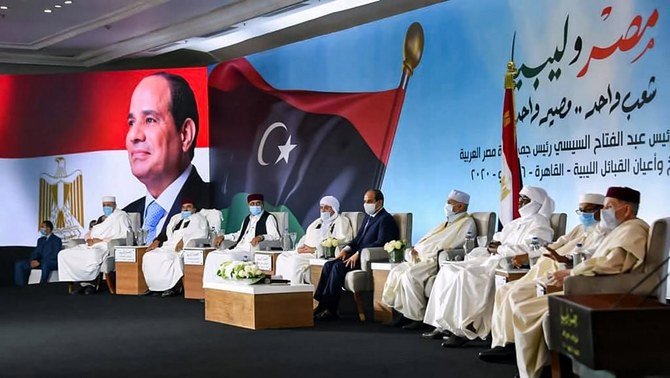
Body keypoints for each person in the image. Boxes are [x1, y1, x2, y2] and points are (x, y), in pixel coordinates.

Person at [509, 187, 648, 378]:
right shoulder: (619, 228)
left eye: (608, 207)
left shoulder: (633, 229)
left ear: (626, 210)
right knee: (523, 303)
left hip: (602, 292)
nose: (604, 212)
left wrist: (571, 273)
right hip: (592, 286)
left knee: (525, 310)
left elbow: (612, 264)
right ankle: (539, 366)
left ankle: (537, 371)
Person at [480, 193, 609, 362]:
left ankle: (516, 348)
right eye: (581, 210)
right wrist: (528, 255)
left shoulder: (605, 233)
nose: (584, 215)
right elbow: (554, 245)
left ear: (601, 210)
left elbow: (589, 259)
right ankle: (504, 343)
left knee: (515, 294)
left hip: (560, 274)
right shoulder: (579, 229)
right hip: (544, 267)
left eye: (588, 210)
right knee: (505, 290)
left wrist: (566, 260)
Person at [423, 186, 554, 347]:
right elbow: (498, 238)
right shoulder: (516, 222)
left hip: (503, 262)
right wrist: (495, 245)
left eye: (524, 199)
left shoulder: (540, 222)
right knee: (448, 269)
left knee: (466, 275)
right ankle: (443, 324)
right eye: (520, 199)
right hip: (491, 257)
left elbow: (531, 249)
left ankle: (463, 329)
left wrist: (499, 248)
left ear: (536, 203)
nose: (520, 202)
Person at [123, 72, 210, 245]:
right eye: (132, 122)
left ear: (185, 134)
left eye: (150, 120)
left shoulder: (215, 208)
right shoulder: (125, 216)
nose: (134, 135)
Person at [382, 189, 476, 330]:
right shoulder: (446, 222)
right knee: (397, 271)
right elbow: (429, 239)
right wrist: (416, 249)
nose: (447, 205)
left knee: (410, 276)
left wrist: (423, 252)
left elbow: (455, 244)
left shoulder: (467, 223)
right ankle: (404, 313)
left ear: (461, 206)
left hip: (434, 259)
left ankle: (417, 317)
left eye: (450, 202)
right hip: (421, 257)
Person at [313, 189, 399, 321]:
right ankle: (320, 303)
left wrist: (358, 253)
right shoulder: (368, 218)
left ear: (379, 202)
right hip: (354, 255)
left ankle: (331, 309)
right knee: (329, 265)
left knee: (337, 268)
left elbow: (381, 242)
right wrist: (346, 249)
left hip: (367, 259)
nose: (365, 204)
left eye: (369, 201)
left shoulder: (385, 219)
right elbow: (358, 239)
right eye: (364, 201)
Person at [58, 196, 131, 294]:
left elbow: (123, 234)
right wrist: (88, 239)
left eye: (109, 205)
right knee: (64, 254)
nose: (106, 207)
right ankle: (81, 283)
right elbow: (90, 232)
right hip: (92, 244)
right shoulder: (101, 218)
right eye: (104, 205)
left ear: (115, 205)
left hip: (105, 244)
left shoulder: (121, 216)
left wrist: (100, 240)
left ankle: (91, 284)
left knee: (93, 255)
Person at [203, 193, 280, 283]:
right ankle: (211, 286)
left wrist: (261, 237)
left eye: (258, 203)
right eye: (252, 204)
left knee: (229, 258)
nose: (255, 206)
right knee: (212, 255)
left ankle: (228, 287)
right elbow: (239, 234)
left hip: (249, 250)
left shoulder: (269, 218)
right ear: (248, 205)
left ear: (262, 204)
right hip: (237, 248)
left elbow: (275, 236)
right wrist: (224, 236)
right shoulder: (247, 218)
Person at [275, 196, 353, 284]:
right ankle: (280, 286)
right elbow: (305, 236)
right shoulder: (317, 222)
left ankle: (295, 290)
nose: (323, 210)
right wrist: (300, 248)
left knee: (296, 260)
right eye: (321, 207)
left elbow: (343, 240)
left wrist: (315, 250)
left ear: (334, 209)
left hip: (318, 254)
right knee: (282, 257)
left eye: (326, 208)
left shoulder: (341, 221)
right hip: (305, 251)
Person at [142, 198, 209, 297]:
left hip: (182, 247)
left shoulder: (198, 218)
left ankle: (171, 287)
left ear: (194, 209)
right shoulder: (175, 218)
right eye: (183, 207)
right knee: (148, 256)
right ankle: (155, 287)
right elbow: (164, 233)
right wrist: (156, 241)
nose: (185, 209)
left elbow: (200, 233)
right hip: (169, 246)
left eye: (188, 207)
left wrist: (184, 240)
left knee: (166, 258)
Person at [14, 221, 62, 286]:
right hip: (39, 262)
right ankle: (20, 287)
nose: (40, 229)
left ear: (48, 228)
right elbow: (36, 252)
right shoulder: (40, 240)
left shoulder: (57, 240)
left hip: (51, 262)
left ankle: (41, 286)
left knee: (45, 264)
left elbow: (55, 254)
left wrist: (40, 261)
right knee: (19, 264)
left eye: (42, 227)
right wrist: (32, 260)